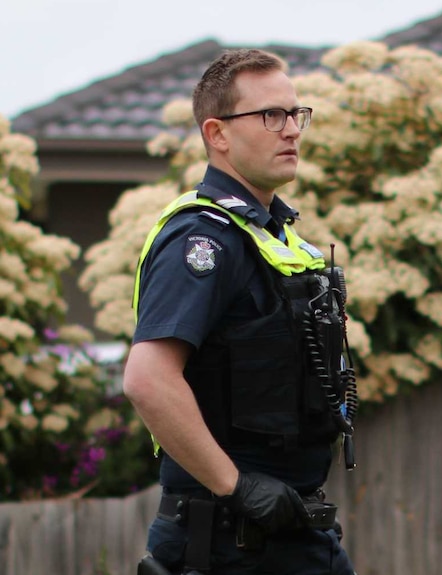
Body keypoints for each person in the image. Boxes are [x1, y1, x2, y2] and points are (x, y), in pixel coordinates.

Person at [124, 48, 357, 575]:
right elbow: (149, 380)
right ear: (218, 134)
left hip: (293, 531)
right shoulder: (203, 240)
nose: (291, 130)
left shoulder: (275, 238)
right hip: (228, 539)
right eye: (270, 115)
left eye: (296, 114)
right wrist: (238, 486)